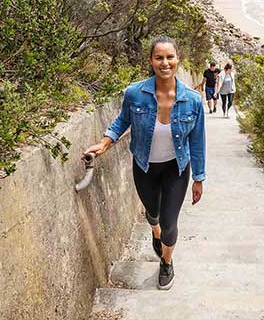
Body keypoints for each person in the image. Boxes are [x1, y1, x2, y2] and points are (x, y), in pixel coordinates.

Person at [84, 36, 205, 291]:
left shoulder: (192, 100)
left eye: (169, 57)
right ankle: (155, 229)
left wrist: (199, 178)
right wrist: (105, 143)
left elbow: (197, 140)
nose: (165, 62)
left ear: (177, 59)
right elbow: (121, 121)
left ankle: (166, 262)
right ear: (151, 61)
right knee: (154, 213)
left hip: (177, 168)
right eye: (159, 57)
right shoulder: (135, 93)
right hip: (144, 167)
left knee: (170, 222)